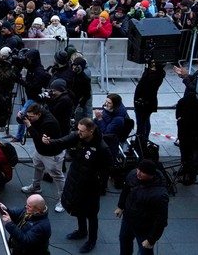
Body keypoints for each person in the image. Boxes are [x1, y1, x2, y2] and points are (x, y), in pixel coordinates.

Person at [42, 118, 112, 253]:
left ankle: (92, 240)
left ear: (91, 131)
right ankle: (81, 231)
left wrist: (97, 179)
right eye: (78, 130)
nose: (78, 133)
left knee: (91, 214)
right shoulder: (79, 137)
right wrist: (49, 142)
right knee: (78, 207)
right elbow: (63, 141)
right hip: (76, 179)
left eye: (81, 131)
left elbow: (109, 166)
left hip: (90, 186)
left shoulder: (101, 147)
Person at [18, 102, 66, 213]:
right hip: (40, 151)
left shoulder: (49, 123)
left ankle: (63, 199)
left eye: (31, 117)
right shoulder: (36, 116)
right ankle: (36, 186)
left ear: (39, 114)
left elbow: (39, 139)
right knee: (38, 167)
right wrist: (20, 118)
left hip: (52, 154)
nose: (29, 118)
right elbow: (23, 121)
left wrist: (29, 125)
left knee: (57, 175)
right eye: (28, 116)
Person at [115, 160, 170, 255]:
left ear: (151, 175)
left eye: (142, 172)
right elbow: (126, 190)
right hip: (128, 219)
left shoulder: (159, 195)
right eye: (138, 170)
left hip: (144, 227)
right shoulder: (133, 175)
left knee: (145, 250)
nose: (138, 173)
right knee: (124, 240)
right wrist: (120, 206)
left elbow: (161, 220)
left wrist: (151, 239)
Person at [132, 60, 165, 140]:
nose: (151, 66)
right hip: (143, 101)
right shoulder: (151, 73)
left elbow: (145, 84)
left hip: (146, 102)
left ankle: (141, 139)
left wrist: (147, 71)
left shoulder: (154, 76)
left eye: (153, 65)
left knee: (142, 122)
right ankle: (143, 138)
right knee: (144, 121)